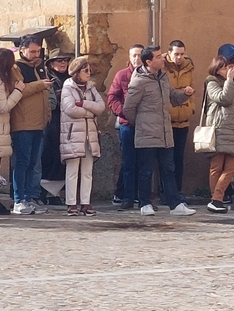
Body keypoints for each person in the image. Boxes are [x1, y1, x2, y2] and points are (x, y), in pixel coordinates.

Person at [122, 46, 196, 216]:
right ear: (148, 62)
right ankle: (145, 204)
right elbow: (128, 108)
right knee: (146, 170)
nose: (163, 59)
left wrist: (185, 94)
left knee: (169, 169)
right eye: (158, 57)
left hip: (165, 134)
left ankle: (175, 204)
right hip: (147, 134)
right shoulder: (139, 81)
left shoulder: (163, 78)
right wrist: (141, 124)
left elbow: (174, 98)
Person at [9, 35, 53, 215]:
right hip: (23, 123)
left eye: (38, 51)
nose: (36, 55)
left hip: (39, 123)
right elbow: (20, 90)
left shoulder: (40, 67)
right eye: (32, 51)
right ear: (22, 50)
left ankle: (29, 199)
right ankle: (18, 200)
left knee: (33, 163)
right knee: (22, 162)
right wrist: (40, 85)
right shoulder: (16, 67)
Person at [60, 57, 106, 216]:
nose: (89, 73)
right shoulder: (68, 87)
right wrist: (90, 113)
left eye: (90, 70)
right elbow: (70, 109)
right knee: (72, 171)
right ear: (77, 72)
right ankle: (71, 203)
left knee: (87, 171)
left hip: (89, 136)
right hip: (73, 135)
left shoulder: (91, 88)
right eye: (85, 70)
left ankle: (85, 203)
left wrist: (84, 104)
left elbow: (101, 107)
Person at [203, 55, 234, 213]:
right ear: (217, 70)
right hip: (219, 129)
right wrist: (229, 80)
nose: (231, 70)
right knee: (216, 166)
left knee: (232, 167)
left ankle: (216, 198)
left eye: (231, 67)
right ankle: (216, 200)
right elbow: (224, 99)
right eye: (226, 68)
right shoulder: (212, 82)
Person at [107, 44, 143, 210]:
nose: (137, 58)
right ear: (129, 57)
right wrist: (125, 112)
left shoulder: (152, 76)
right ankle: (127, 198)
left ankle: (143, 199)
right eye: (134, 55)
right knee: (128, 162)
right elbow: (112, 98)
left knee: (145, 163)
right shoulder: (121, 75)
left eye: (140, 55)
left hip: (146, 125)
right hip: (127, 124)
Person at [163, 40, 196, 194]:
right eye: (176, 54)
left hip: (183, 121)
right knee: (166, 160)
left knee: (179, 158)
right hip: (167, 122)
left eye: (182, 54)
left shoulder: (188, 68)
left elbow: (192, 90)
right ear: (169, 53)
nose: (179, 57)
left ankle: (177, 192)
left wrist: (191, 109)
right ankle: (166, 192)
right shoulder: (162, 67)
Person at [41, 49, 71, 204]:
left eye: (65, 60)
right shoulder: (48, 80)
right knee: (49, 156)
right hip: (52, 123)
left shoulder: (71, 79)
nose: (63, 63)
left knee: (61, 159)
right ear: (51, 64)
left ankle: (55, 193)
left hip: (67, 123)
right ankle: (45, 193)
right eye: (59, 60)